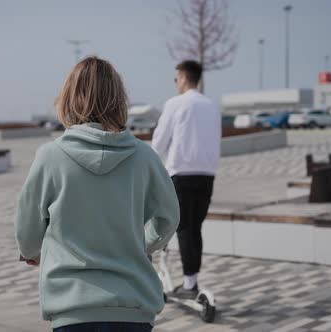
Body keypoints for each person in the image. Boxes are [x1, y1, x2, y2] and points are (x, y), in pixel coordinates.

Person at [15, 56, 180, 332]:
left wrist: (32, 251)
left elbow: (27, 229)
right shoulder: (144, 157)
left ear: (69, 98)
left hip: (72, 308)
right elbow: (169, 217)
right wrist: (143, 244)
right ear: (119, 100)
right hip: (133, 305)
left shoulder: (50, 157)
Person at [151, 60, 221, 299]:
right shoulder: (212, 105)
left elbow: (159, 142)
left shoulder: (175, 104)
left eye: (176, 79)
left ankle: (190, 286)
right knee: (195, 228)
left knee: (183, 228)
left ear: (182, 77)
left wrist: (151, 167)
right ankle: (191, 281)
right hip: (207, 174)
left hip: (181, 174)